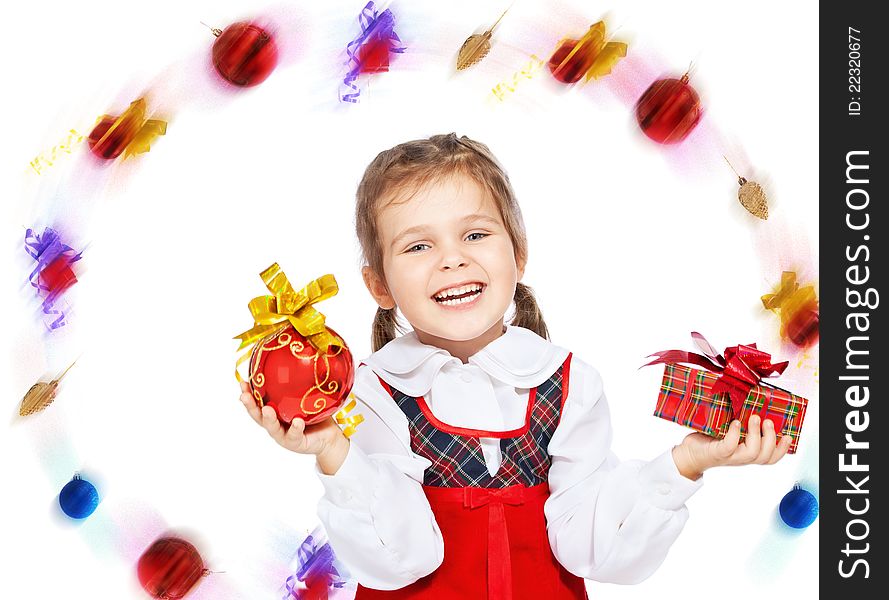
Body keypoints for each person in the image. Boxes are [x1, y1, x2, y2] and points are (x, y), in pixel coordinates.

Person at [239, 133, 792, 599]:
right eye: (417, 247)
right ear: (378, 284)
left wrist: (685, 463)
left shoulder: (570, 383)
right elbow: (398, 560)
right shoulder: (369, 393)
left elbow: (595, 550)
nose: (453, 258)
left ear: (518, 252)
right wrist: (334, 451)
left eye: (475, 234)